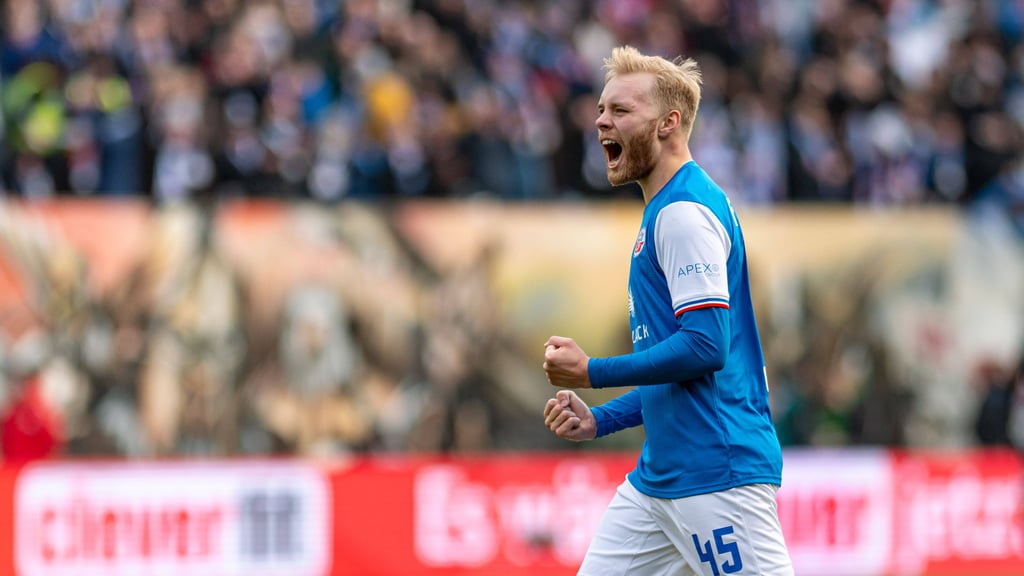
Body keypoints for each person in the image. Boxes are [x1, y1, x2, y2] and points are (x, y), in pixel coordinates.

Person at [542, 45, 794, 575]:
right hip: (659, 481)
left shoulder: (681, 212)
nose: (601, 122)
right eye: (601, 110)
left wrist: (593, 373)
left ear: (668, 123)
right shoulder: (668, 207)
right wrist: (602, 420)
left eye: (620, 111)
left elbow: (705, 346)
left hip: (716, 473)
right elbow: (679, 372)